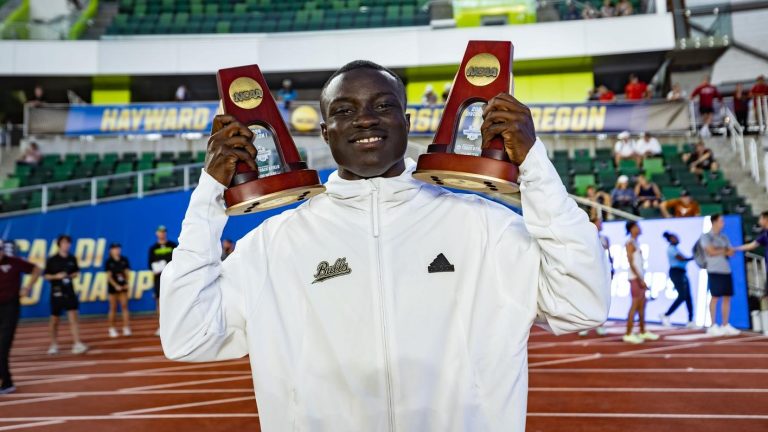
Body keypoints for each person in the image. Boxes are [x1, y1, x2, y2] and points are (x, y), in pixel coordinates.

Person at [159, 60, 611, 431]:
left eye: (383, 105)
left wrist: (534, 166)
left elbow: (583, 304)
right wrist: (208, 198)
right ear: (324, 132)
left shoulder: (483, 227)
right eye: (344, 110)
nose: (366, 119)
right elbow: (185, 337)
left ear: (407, 122)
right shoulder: (275, 244)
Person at [0, 239, 41, 394]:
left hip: (10, 307)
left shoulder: (15, 262)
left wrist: (27, 287)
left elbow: (37, 269)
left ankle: (7, 383)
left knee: (2, 348)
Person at [44, 235, 88, 355]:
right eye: (64, 243)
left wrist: (71, 275)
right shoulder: (52, 259)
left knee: (73, 317)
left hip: (69, 291)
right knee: (54, 319)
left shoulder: (72, 258)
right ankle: (53, 344)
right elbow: (46, 275)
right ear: (59, 244)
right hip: (56, 292)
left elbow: (76, 272)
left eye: (68, 243)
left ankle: (77, 343)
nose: (66, 245)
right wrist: (56, 276)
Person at [701, 214, 740, 336]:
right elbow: (710, 251)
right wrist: (724, 250)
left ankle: (725, 324)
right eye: (721, 221)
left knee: (727, 297)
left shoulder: (724, 237)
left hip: (726, 270)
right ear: (714, 222)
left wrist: (724, 251)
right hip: (714, 270)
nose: (723, 223)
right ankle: (712, 325)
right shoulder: (706, 236)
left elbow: (732, 252)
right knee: (715, 297)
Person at [624, 221, 659, 343]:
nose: (639, 228)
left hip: (639, 278)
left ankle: (643, 331)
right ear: (632, 229)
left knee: (642, 306)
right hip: (635, 278)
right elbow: (631, 263)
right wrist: (640, 279)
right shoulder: (630, 243)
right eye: (637, 227)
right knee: (635, 305)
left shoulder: (636, 243)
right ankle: (628, 333)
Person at [579, 217, 613, 337]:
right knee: (586, 297)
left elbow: (609, 255)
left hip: (602, 272)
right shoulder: (586, 236)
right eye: (599, 222)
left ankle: (600, 325)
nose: (601, 224)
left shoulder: (605, 238)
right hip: (590, 271)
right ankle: (584, 326)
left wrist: (611, 268)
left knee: (601, 299)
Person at [660, 232, 695, 328]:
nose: (677, 239)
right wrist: (694, 257)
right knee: (683, 296)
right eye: (674, 238)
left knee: (688, 297)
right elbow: (682, 259)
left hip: (682, 273)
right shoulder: (671, 249)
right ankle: (666, 315)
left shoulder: (676, 249)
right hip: (676, 273)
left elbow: (684, 259)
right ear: (670, 239)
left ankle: (690, 320)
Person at [148, 226, 177, 336]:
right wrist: (156, 269)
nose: (162, 233)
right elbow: (150, 264)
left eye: (164, 231)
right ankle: (162, 326)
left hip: (173, 278)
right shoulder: (153, 248)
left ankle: (174, 326)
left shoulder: (173, 246)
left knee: (175, 302)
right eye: (160, 231)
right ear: (157, 233)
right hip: (159, 279)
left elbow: (178, 260)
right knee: (159, 303)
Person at [733, 210, 768, 296]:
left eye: (760, 218)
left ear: (766, 219)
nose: (759, 221)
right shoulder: (765, 234)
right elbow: (752, 245)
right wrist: (735, 249)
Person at [105, 243, 131, 338]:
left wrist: (126, 283)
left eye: (118, 248)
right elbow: (109, 277)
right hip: (113, 288)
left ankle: (126, 327)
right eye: (115, 248)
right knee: (113, 308)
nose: (117, 250)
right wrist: (116, 286)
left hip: (123, 287)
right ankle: (111, 328)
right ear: (111, 250)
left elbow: (127, 273)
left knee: (124, 306)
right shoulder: (109, 262)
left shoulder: (124, 260)